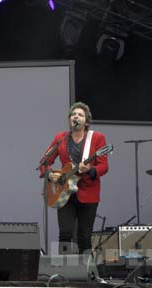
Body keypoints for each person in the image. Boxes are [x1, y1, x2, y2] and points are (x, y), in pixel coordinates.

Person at [39, 102, 109, 254]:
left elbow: (104, 166)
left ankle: (85, 273)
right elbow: (44, 162)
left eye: (80, 115)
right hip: (64, 193)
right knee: (65, 234)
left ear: (87, 122)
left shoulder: (97, 138)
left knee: (84, 237)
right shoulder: (61, 138)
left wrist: (90, 169)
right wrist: (50, 175)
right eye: (73, 114)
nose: (76, 116)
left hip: (88, 193)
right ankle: (64, 272)